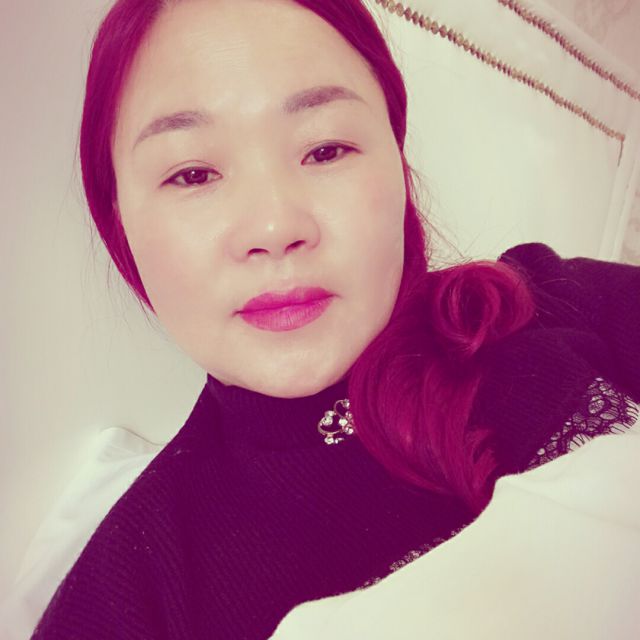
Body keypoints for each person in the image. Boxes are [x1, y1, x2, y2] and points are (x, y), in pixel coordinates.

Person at [30, 0, 640, 638]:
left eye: (325, 150)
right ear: (119, 221)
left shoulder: (546, 299)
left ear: (397, 163)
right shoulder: (132, 586)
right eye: (193, 173)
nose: (274, 227)